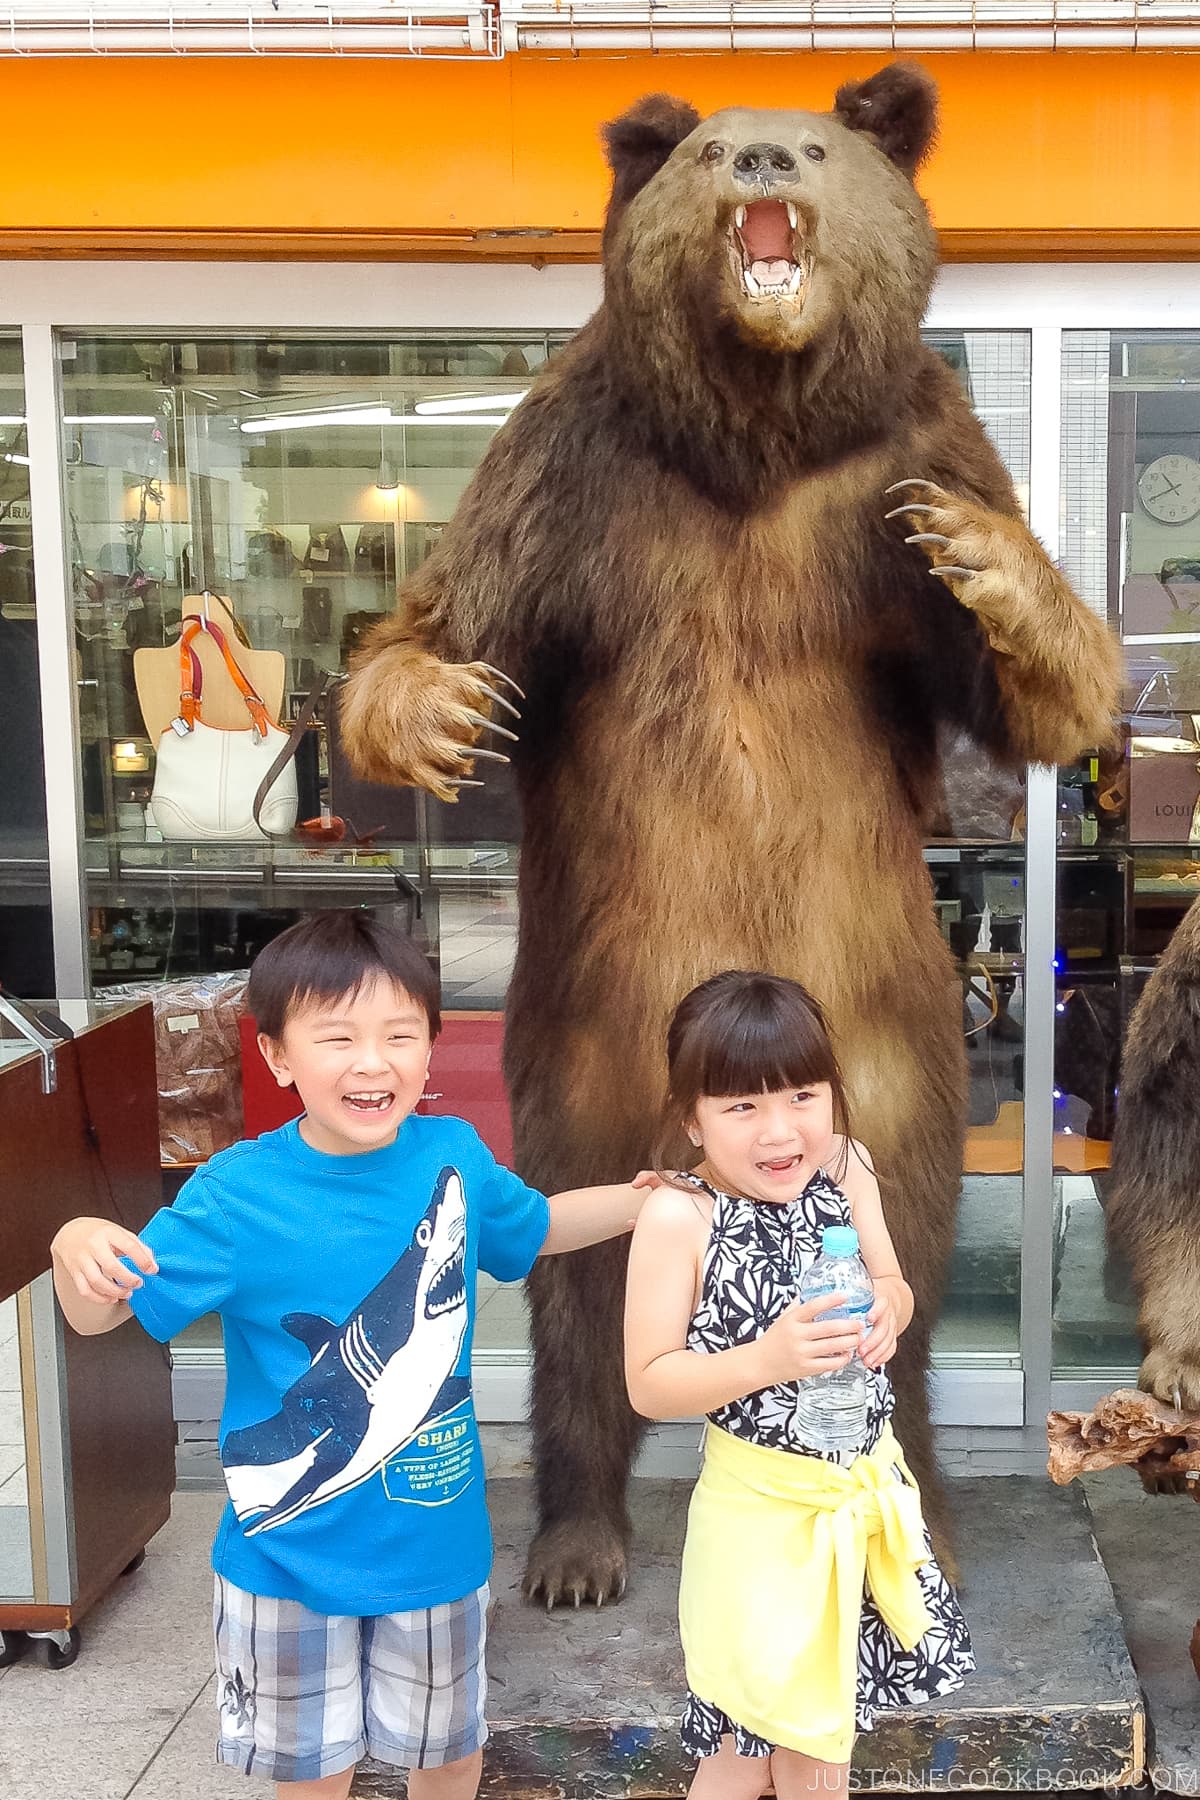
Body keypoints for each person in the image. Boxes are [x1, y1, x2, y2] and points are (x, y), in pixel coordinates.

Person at [51, 910, 653, 1800]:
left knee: (447, 1757)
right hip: (283, 1559)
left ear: (431, 1049)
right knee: (313, 1773)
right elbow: (104, 1317)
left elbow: (538, 1226)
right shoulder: (236, 1195)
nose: (373, 1062)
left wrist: (647, 1200)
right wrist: (76, 1242)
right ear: (278, 1057)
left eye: (400, 1036)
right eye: (338, 1037)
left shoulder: (453, 1155)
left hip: (435, 1547)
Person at [624, 970, 974, 1800]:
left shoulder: (849, 1168)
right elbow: (649, 1383)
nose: (780, 1132)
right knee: (742, 1751)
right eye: (741, 1106)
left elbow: (894, 1281)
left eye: (802, 1096)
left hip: (859, 1501)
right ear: (691, 1119)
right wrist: (770, 1359)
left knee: (822, 1750)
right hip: (758, 1528)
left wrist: (889, 1308)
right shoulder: (682, 1218)